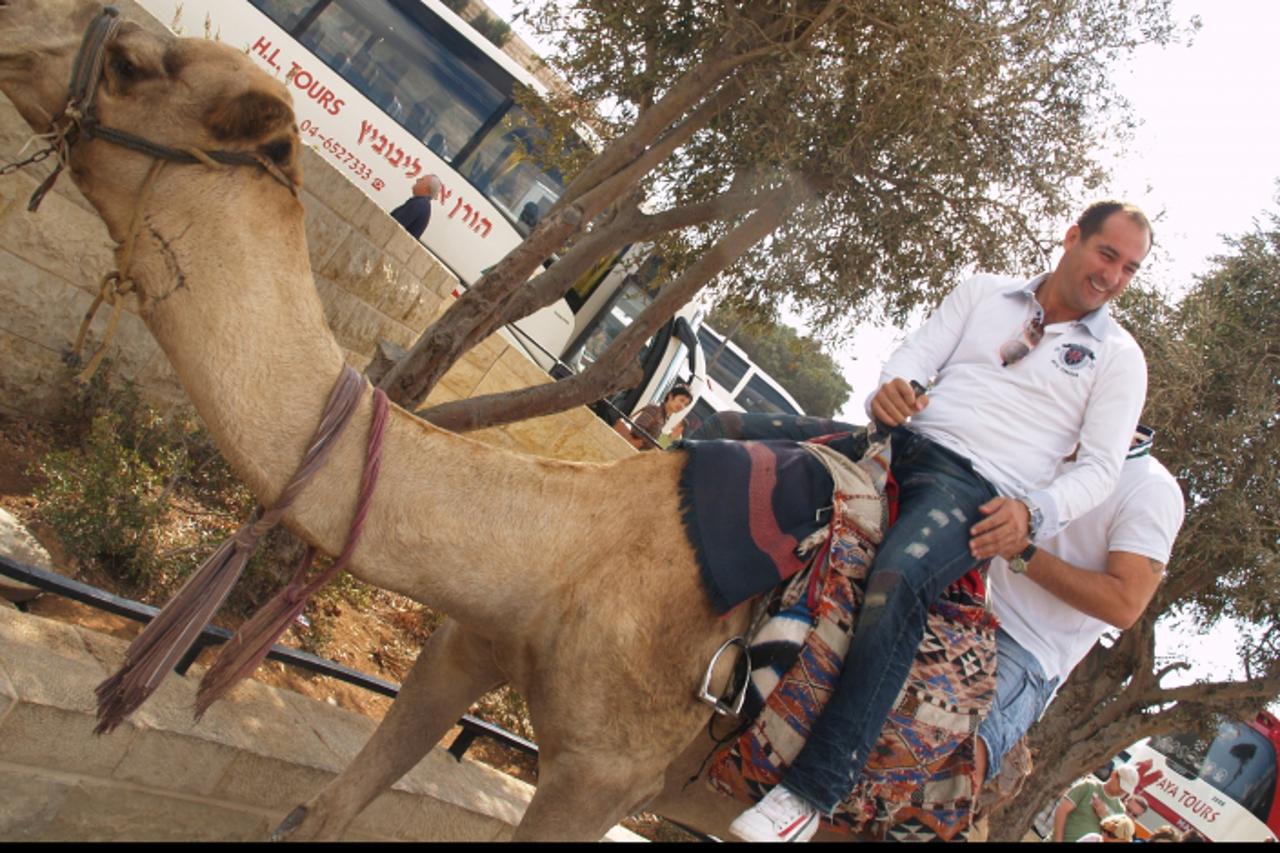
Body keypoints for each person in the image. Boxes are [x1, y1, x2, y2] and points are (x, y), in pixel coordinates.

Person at [730, 201, 1153, 843]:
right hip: (898, 441)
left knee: (897, 580)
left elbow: (1098, 470)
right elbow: (914, 355)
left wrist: (1031, 515)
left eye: (1129, 268)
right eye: (1106, 255)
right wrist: (891, 386)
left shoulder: (1119, 359)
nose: (1113, 277)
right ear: (1072, 238)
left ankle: (810, 790)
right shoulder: (985, 293)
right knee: (729, 438)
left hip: (974, 488)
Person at [972, 425, 1186, 791]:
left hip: (1024, 645)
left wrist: (1021, 552)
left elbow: (1125, 604)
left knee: (948, 770)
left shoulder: (1152, 488)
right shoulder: (1043, 430)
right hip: (961, 596)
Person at [1057, 764, 1139, 842]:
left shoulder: (1120, 811)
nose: (1122, 791)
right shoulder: (1088, 786)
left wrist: (1104, 815)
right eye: (1121, 785)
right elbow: (1062, 811)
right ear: (1113, 775)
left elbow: (1114, 838)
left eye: (1126, 790)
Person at [613, 384, 692, 451]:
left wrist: (670, 437)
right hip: (625, 448)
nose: (682, 406)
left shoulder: (665, 417)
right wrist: (654, 444)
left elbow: (655, 441)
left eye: (685, 404)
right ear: (671, 396)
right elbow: (637, 429)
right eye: (681, 400)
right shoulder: (655, 409)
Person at [389, 174, 442, 240]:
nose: (417, 180)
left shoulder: (420, 205)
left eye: (421, 180)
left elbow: (393, 225)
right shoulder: (421, 203)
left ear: (427, 188)